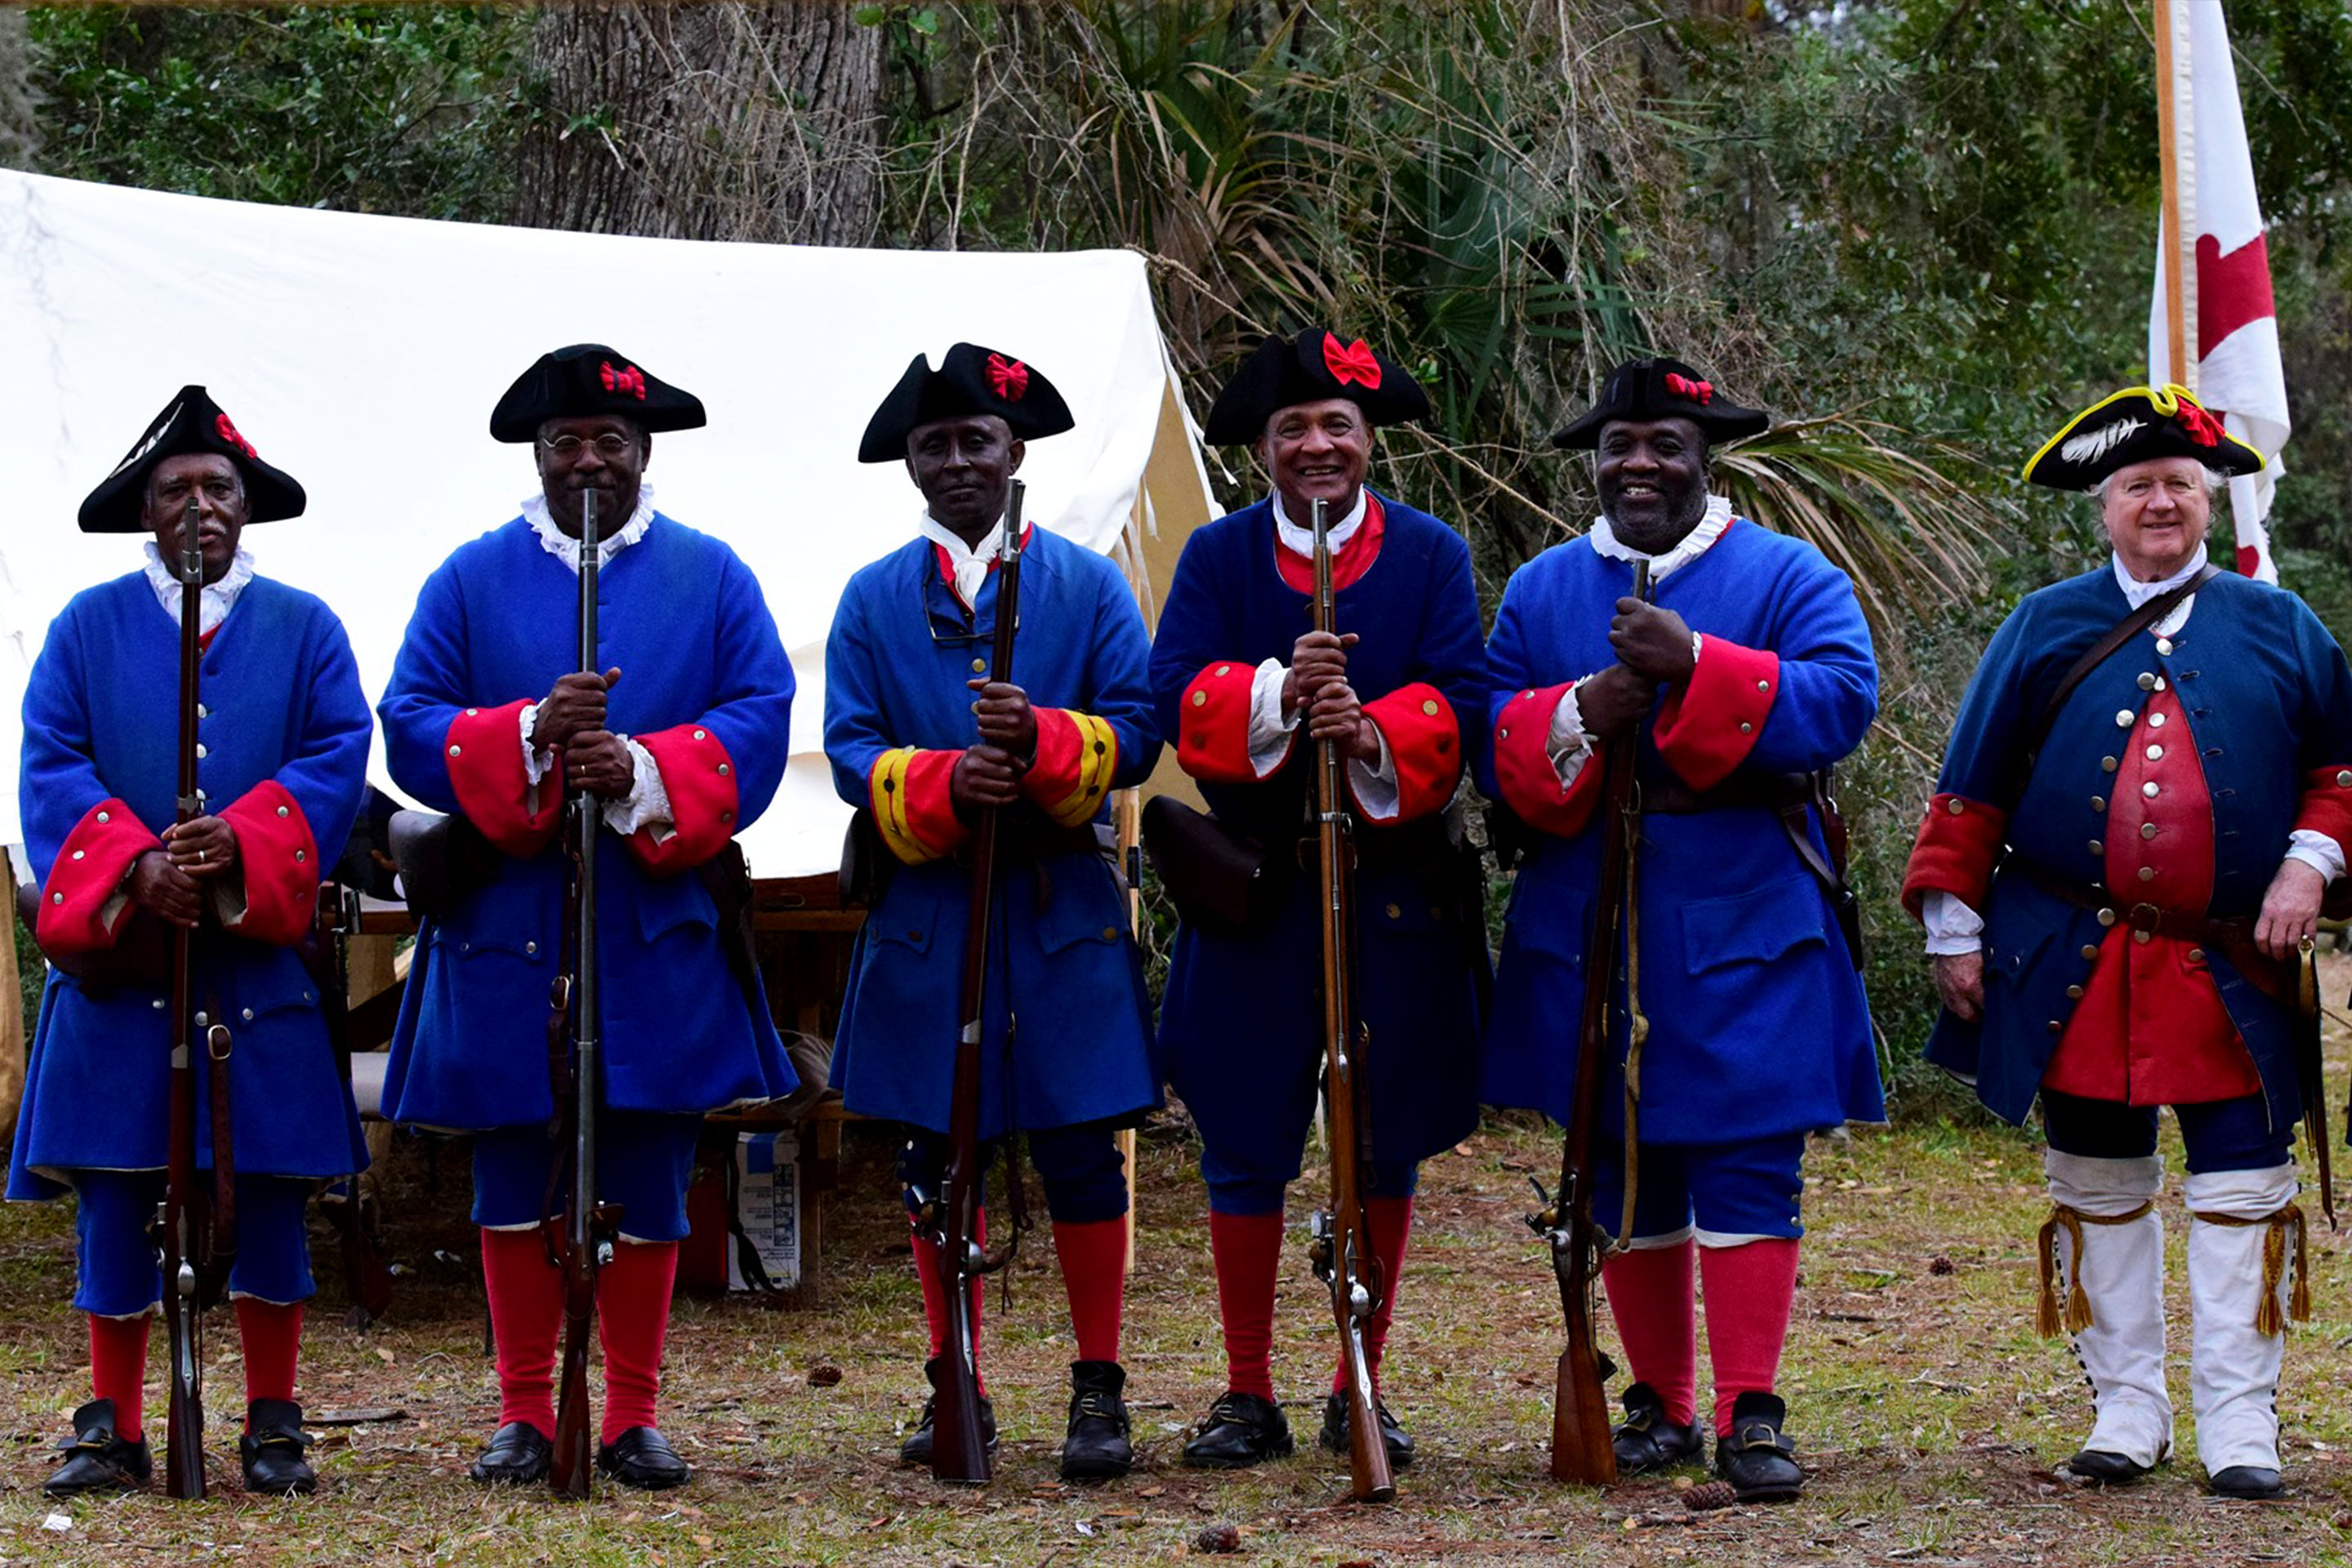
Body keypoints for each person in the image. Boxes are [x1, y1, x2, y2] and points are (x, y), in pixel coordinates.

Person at [1902, 384, 2352, 1500]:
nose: (2163, 503)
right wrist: (1952, 927)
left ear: (2209, 503)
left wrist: (2309, 862)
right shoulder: (2044, 623)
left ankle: (2241, 1426)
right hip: (2074, 957)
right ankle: (2128, 1412)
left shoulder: (2282, 624)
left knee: (2244, 1185)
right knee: (2097, 1182)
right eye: (2141, 485)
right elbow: (1970, 788)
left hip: (2229, 964)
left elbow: (2339, 773)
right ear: (2104, 505)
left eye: (2182, 487)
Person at [377, 344, 797, 1490]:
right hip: (507, 927)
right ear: (537, 455)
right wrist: (526, 734)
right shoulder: (467, 579)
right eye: (565, 442)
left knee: (653, 1168)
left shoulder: (713, 578)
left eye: (610, 441)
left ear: (644, 451)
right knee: (511, 1172)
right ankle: (523, 1411)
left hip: (652, 921)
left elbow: (762, 715)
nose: (588, 461)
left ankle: (634, 1415)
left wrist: (643, 768)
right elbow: (408, 721)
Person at [1482, 357, 1881, 1502]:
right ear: (1595, 461)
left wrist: (1699, 664)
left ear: (1708, 455)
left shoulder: (1787, 573)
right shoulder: (1543, 586)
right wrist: (1579, 712)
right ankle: (1659, 1402)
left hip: (1747, 902)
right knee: (1621, 1165)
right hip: (1586, 908)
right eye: (1620, 445)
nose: (1641, 463)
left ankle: (1754, 1407)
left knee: (1750, 1156)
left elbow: (1842, 702)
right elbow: (1493, 735)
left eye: (1665, 444)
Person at [13, 386, 372, 1497]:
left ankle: (273, 1422)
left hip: (255, 966)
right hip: (124, 969)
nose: (200, 507)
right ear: (144, 513)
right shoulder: (82, 629)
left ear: (246, 506)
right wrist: (135, 865)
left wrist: (242, 844)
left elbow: (335, 758)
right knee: (114, 1201)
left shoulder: (308, 628)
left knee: (268, 1194)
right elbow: (50, 764)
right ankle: (109, 1423)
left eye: (219, 488)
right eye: (176, 490)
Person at [1149, 328, 1488, 1471]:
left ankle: (1362, 1379)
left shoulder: (1432, 554)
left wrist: (1374, 728)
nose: (1316, 445)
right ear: (1263, 447)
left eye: (1336, 425)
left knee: (1379, 1140)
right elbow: (1172, 689)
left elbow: (1466, 694)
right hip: (1255, 892)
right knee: (1243, 1141)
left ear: (1367, 439)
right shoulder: (1220, 556)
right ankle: (1247, 1390)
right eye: (1293, 428)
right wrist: (1278, 696)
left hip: (1391, 893)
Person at [826, 342, 1160, 1481]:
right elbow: (848, 745)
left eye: (977, 441)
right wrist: (939, 782)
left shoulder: (1087, 583)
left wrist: (1048, 747)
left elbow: (1137, 724)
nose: (957, 460)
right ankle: (952, 1377)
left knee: (1080, 1157)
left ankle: (1099, 1390)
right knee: (934, 1159)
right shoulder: (873, 598)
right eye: (935, 445)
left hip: (1057, 904)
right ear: (911, 464)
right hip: (930, 910)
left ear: (1015, 452)